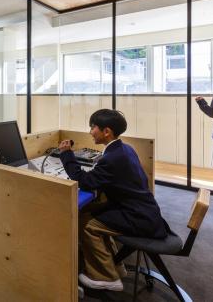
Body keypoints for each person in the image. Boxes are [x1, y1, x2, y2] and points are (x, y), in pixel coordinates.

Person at [57, 109, 169, 292]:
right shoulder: (125, 149)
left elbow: (85, 182)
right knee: (88, 212)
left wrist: (66, 154)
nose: (90, 131)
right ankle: (114, 266)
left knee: (88, 225)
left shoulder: (112, 159)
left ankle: (106, 277)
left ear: (106, 131)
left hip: (138, 217)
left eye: (93, 127)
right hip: (144, 210)